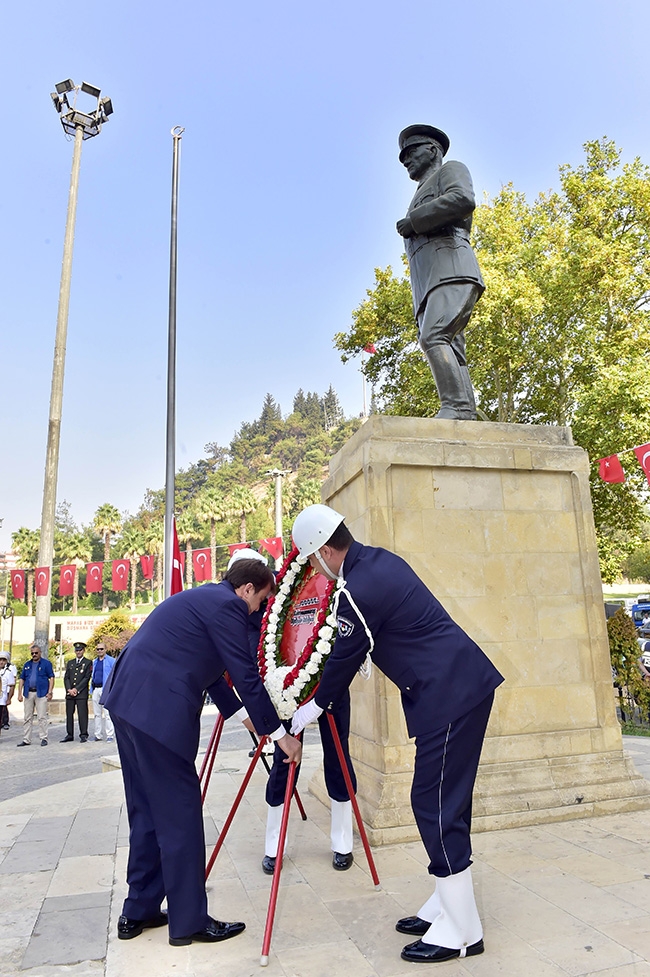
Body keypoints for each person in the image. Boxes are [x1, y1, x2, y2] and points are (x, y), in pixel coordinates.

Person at [290, 505, 504, 964]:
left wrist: (313, 704)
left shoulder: (358, 587)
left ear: (326, 549)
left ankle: (463, 930)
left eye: (313, 559)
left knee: (434, 802)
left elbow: (345, 653)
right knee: (443, 800)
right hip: (455, 688)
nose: (315, 569)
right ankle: (445, 904)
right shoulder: (377, 561)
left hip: (449, 695)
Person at [101, 559, 302, 948]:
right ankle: (189, 922)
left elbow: (210, 671)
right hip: (158, 713)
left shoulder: (204, 598)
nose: (259, 609)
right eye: (260, 599)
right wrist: (280, 735)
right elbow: (244, 674)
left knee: (146, 810)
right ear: (247, 589)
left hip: (129, 703)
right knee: (180, 816)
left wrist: (244, 717)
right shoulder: (227, 607)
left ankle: (138, 910)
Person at [396, 124, 484, 420]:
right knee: (450, 344)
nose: (405, 159)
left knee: (434, 336)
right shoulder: (420, 189)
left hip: (452, 269)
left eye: (410, 152)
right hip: (429, 281)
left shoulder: (450, 170)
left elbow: (463, 199)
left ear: (431, 150)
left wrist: (415, 221)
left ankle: (456, 407)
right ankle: (465, 411)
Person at [17, 644, 55, 747]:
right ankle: (26, 739)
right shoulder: (27, 664)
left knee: (42, 717)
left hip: (41, 693)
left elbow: (51, 677)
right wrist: (19, 693)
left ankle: (43, 738)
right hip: (28, 693)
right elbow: (22, 679)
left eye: (36, 653)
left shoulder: (46, 664)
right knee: (27, 717)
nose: (34, 655)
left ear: (40, 653)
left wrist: (50, 691)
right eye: (32, 653)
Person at [61, 642, 92, 743]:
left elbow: (86, 678)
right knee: (69, 714)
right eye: (77, 650)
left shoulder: (88, 663)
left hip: (81, 693)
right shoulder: (70, 663)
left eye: (80, 650)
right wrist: (69, 689)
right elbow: (67, 677)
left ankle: (83, 734)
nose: (78, 652)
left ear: (83, 651)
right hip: (70, 693)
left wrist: (76, 689)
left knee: (82, 714)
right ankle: (69, 734)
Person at [91, 642, 115, 741]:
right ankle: (98, 735)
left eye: (101, 649)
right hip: (96, 688)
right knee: (97, 714)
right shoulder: (95, 662)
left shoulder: (111, 661)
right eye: (98, 649)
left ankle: (110, 735)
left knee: (107, 714)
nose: (99, 651)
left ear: (105, 649)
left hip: (106, 689)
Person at [0, 651, 16, 735]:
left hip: (2, 699)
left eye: (3, 660)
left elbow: (12, 686)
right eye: (0, 660)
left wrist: (9, 698)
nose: (1, 662)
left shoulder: (8, 673)